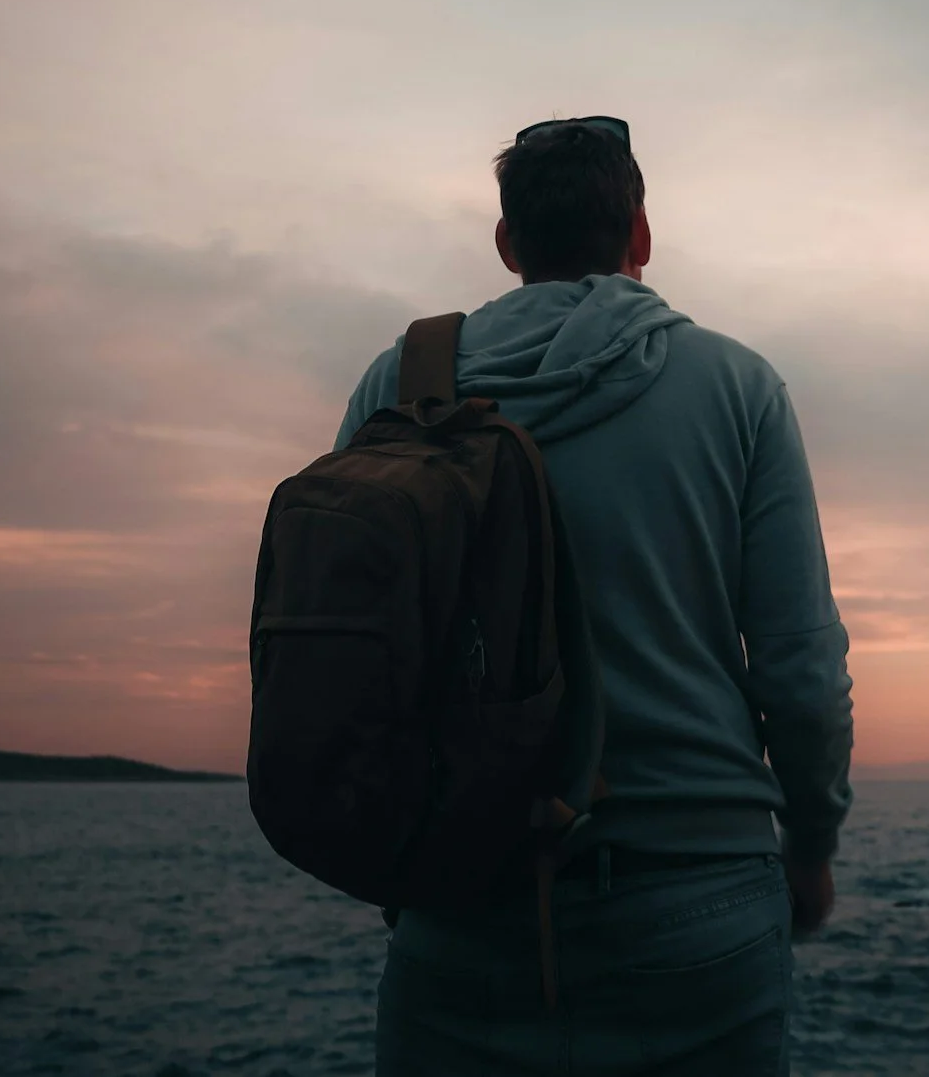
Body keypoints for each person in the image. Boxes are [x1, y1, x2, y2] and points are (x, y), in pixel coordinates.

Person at [338, 116, 854, 1077]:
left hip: (462, 906)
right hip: (697, 898)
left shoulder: (403, 386)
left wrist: (399, 861)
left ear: (507, 246)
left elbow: (357, 648)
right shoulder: (738, 386)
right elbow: (801, 665)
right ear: (641, 237)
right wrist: (812, 844)